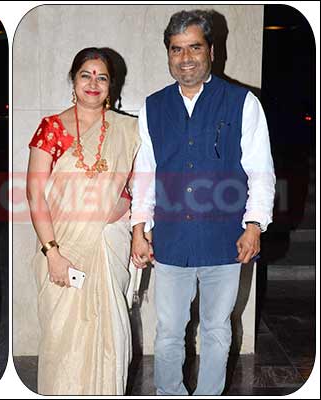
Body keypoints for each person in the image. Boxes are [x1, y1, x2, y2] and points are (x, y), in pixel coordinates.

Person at [130, 10, 276, 396]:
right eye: (176, 49)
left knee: (216, 329)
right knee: (168, 332)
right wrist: (139, 228)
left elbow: (261, 171)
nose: (186, 58)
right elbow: (145, 173)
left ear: (211, 50)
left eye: (194, 47)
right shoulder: (153, 107)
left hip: (225, 239)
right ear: (168, 54)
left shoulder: (242, 102)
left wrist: (254, 225)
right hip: (171, 240)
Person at [26, 47, 140, 395]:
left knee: (111, 336)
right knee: (63, 342)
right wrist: (52, 253)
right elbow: (35, 194)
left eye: (101, 77)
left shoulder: (128, 129)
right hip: (63, 250)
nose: (93, 83)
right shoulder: (51, 129)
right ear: (73, 80)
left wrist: (135, 226)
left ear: (111, 85)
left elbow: (139, 189)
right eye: (85, 75)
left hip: (109, 245)